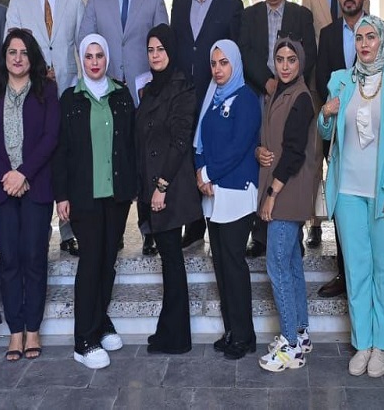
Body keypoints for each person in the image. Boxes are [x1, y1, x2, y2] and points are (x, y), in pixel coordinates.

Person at [317, 15, 384, 379]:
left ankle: (383, 345)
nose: (364, 43)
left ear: (382, 41)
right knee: (356, 270)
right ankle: (363, 343)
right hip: (348, 193)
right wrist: (324, 115)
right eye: (359, 37)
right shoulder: (340, 81)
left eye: (371, 37)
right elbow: (327, 131)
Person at [79, 0, 168, 256]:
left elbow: (163, 41)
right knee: (112, 156)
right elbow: (86, 38)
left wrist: (153, 83)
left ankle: (149, 229)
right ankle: (114, 230)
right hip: (107, 92)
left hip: (145, 93)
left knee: (145, 158)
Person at [54, 34, 136, 369]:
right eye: (88, 56)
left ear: (107, 58)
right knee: (90, 264)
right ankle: (83, 339)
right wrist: (61, 195)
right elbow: (60, 151)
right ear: (81, 61)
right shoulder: (70, 98)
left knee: (107, 262)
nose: (94, 62)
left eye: (100, 55)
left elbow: (131, 142)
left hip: (115, 195)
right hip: (84, 196)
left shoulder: (121, 95)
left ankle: (100, 322)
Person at [0, 29, 60, 362]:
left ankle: (33, 328)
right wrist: (6, 176)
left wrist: (23, 173)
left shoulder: (47, 90)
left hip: (35, 187)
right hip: (2, 190)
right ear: (5, 57)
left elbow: (51, 136)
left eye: (24, 52)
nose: (17, 58)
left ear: (32, 57)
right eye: (12, 52)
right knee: (9, 260)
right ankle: (15, 332)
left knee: (34, 259)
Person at [5, 0, 84, 256]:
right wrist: (37, 72)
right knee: (36, 156)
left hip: (67, 93)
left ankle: (69, 230)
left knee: (66, 160)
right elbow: (11, 47)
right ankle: (38, 226)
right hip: (32, 96)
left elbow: (82, 46)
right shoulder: (18, 1)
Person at [239, 0, 317, 257]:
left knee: (289, 154)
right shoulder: (250, 15)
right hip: (260, 94)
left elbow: (307, 54)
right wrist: (268, 82)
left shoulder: (301, 15)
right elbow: (245, 52)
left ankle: (292, 227)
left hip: (291, 95)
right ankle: (260, 234)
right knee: (263, 156)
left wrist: (285, 85)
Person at [170, 0, 244, 249]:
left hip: (217, 92)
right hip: (185, 93)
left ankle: (219, 216)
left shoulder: (232, 5)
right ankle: (193, 221)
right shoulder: (178, 3)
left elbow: (234, 51)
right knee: (187, 153)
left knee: (213, 151)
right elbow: (176, 48)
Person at [135, 24, 202, 355]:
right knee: (169, 262)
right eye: (150, 50)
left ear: (171, 51)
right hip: (152, 189)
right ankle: (170, 332)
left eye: (160, 49)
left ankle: (177, 338)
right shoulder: (151, 89)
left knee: (173, 262)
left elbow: (179, 141)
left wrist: (161, 186)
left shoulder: (182, 87)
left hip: (170, 190)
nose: (155, 55)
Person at [301, 0, 369, 251]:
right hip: (321, 86)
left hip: (361, 94)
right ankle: (315, 222)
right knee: (319, 156)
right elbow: (308, 35)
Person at [256, 38, 321, 373]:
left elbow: (294, 152)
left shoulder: (301, 97)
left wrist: (271, 194)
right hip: (281, 187)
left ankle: (290, 347)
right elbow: (270, 139)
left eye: (291, 60)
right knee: (292, 265)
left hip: (287, 191)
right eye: (279, 59)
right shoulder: (278, 93)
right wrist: (259, 152)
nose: (284, 65)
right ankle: (301, 332)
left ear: (301, 63)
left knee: (277, 266)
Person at [195, 39, 261, 360]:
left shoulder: (246, 99)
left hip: (235, 191)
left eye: (224, 63)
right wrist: (199, 170)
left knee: (234, 264)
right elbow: (200, 142)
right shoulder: (212, 97)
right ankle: (231, 330)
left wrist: (208, 175)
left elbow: (238, 148)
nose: (218, 69)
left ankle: (246, 336)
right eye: (214, 63)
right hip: (214, 194)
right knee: (220, 264)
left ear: (235, 64)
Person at [312, 0, 370, 298]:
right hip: (338, 129)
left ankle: (365, 273)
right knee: (341, 201)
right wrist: (343, 104)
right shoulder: (329, 34)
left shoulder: (377, 30)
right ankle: (344, 273)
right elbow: (322, 79)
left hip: (372, 132)